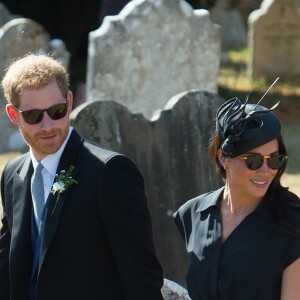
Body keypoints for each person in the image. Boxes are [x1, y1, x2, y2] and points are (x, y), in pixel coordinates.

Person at [0, 53, 164, 300]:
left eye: (56, 111)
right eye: (33, 116)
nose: (48, 125)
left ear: (69, 101)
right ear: (14, 115)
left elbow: (141, 276)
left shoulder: (109, 172)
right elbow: (7, 266)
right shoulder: (13, 174)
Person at [173, 96, 300, 299]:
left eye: (274, 160)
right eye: (253, 161)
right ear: (223, 158)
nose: (266, 171)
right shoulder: (192, 214)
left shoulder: (293, 224)